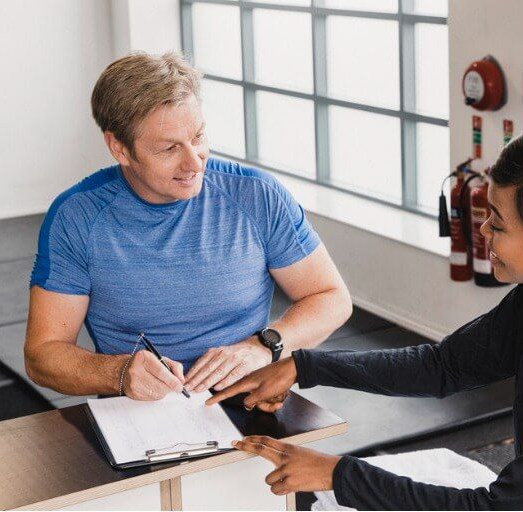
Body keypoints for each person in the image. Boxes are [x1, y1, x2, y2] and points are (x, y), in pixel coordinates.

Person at [209, 118, 523, 509]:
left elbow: (504, 508)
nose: (483, 235)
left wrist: (337, 475)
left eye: (498, 225)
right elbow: (443, 367)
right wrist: (305, 365)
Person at [23, 52, 352, 401]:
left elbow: (332, 298)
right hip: (140, 410)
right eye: (168, 149)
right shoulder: (77, 217)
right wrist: (119, 373)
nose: (194, 163)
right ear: (118, 148)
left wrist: (264, 346)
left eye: (197, 137)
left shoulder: (258, 196)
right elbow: (43, 355)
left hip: (251, 399)